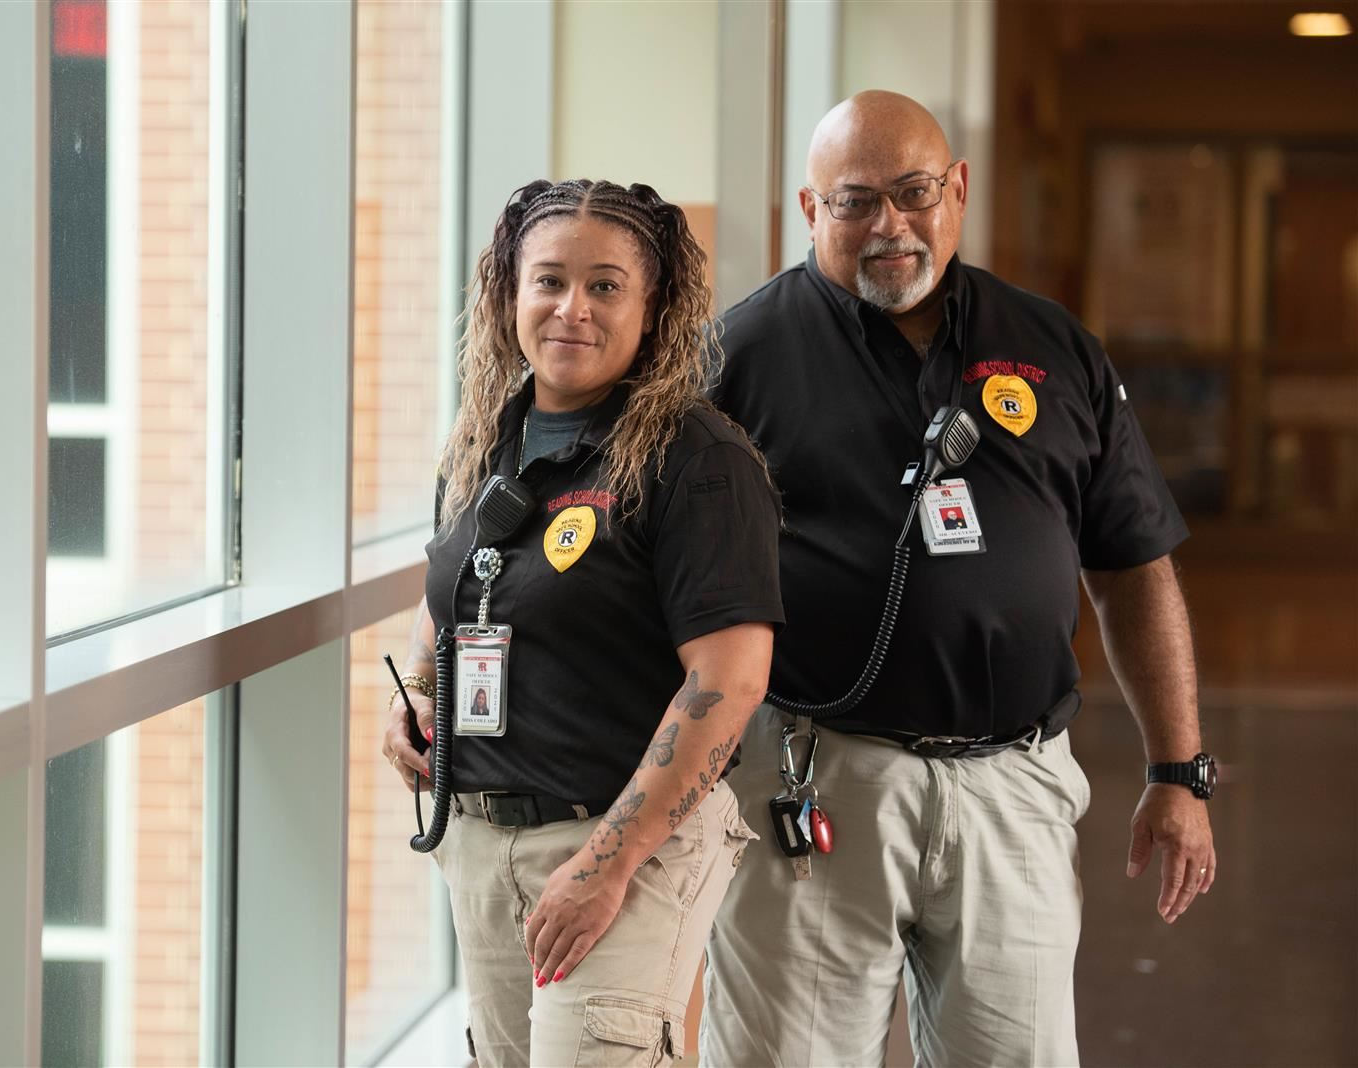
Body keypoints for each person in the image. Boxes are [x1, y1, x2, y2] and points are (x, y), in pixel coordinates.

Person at [700, 91, 1219, 1067]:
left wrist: (1178, 770)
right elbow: (655, 575)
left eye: (915, 191)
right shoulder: (738, 359)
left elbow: (1135, 569)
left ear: (960, 192)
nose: (891, 223)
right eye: (856, 201)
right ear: (810, 212)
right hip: (812, 782)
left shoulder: (1054, 349)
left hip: (1011, 788)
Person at [380, 178, 784, 1067]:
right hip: (483, 846)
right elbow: (449, 588)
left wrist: (606, 865)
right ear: (508, 294)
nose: (572, 308)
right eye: (548, 281)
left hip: (624, 850)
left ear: (654, 309)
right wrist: (418, 688)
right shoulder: (486, 438)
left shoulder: (696, 458)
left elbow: (731, 679)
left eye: (605, 285)